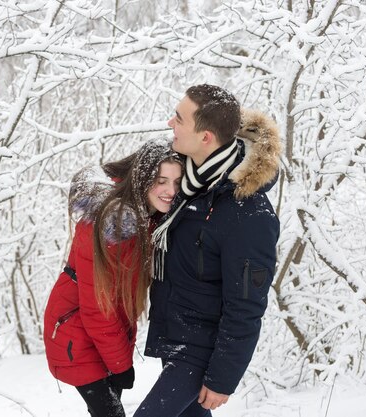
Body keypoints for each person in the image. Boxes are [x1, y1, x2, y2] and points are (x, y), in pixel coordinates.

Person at [134, 85, 281, 417]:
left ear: (206, 137)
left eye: (180, 118)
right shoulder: (189, 183)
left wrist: (223, 377)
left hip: (200, 354)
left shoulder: (247, 212)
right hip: (175, 339)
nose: (170, 122)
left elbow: (246, 303)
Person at [43, 139, 183, 417]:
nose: (170, 191)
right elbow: (98, 307)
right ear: (142, 179)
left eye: (177, 182)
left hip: (101, 337)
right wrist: (121, 365)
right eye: (161, 181)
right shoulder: (112, 226)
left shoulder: (144, 214)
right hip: (77, 333)